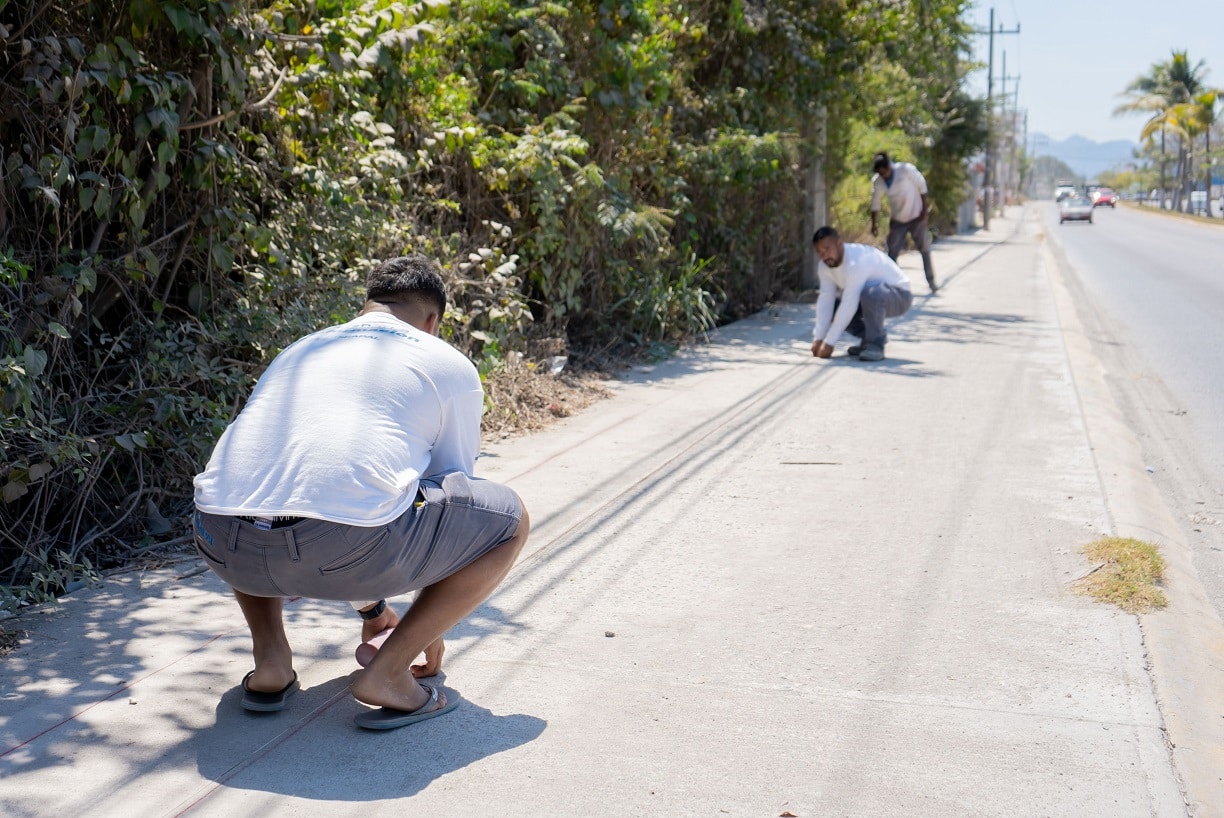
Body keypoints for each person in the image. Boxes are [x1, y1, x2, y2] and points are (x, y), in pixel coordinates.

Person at [192, 255, 530, 730]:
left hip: (219, 540)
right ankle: (388, 675)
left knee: (254, 492)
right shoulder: (446, 363)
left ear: (367, 305)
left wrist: (373, 609)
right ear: (432, 320)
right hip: (344, 544)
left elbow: (307, 486)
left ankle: (270, 662)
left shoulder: (301, 348)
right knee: (510, 521)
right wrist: (423, 628)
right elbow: (445, 492)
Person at [809, 226, 913, 362]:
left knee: (870, 294)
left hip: (899, 296)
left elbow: (849, 304)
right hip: (868, 298)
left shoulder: (855, 261)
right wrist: (819, 338)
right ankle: (868, 339)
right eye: (819, 252)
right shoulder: (824, 266)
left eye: (827, 249)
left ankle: (875, 344)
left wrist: (829, 343)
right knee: (835, 306)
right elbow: (826, 300)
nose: (824, 256)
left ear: (839, 243)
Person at [870, 151, 938, 293]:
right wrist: (874, 224)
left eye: (885, 172)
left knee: (924, 249)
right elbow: (875, 203)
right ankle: (892, 283)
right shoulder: (878, 181)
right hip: (898, 219)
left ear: (889, 166)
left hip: (916, 216)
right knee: (892, 252)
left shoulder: (905, 170)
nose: (884, 176)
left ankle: (931, 281)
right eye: (881, 174)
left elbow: (922, 187)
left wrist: (924, 211)